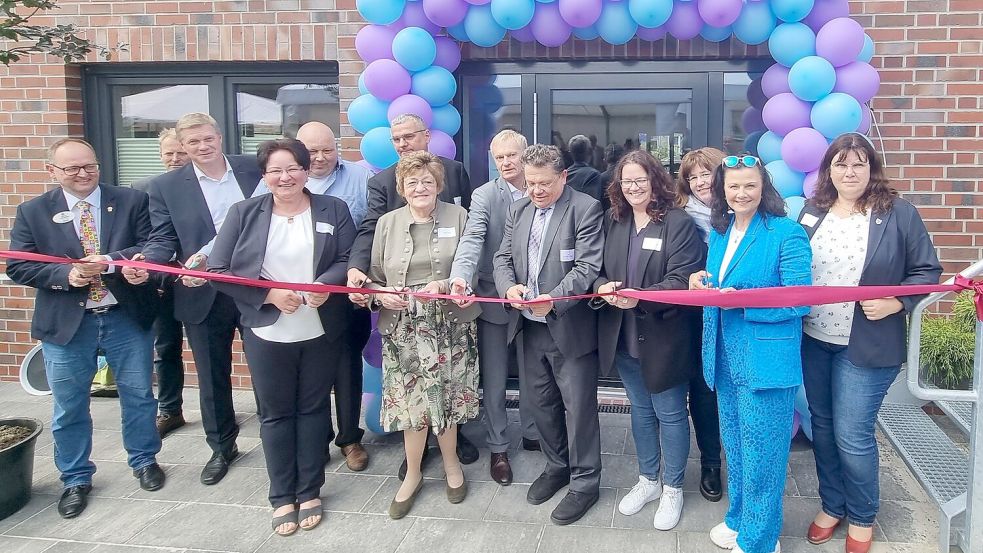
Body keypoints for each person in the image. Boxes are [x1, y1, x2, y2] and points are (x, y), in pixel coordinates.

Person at [798, 133, 942, 553]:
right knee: (822, 428)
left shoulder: (898, 213)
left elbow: (927, 270)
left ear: (871, 168)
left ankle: (862, 516)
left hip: (867, 345)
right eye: (840, 164)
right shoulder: (813, 212)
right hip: (814, 339)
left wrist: (898, 300)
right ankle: (832, 505)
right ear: (828, 170)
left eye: (858, 163)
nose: (849, 172)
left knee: (852, 434)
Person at [7, 138, 165, 519]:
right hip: (66, 325)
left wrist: (112, 261)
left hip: (125, 316)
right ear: (52, 172)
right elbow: (18, 265)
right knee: (69, 406)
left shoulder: (130, 200)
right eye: (72, 169)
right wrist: (68, 274)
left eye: (89, 166)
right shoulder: (33, 211)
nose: (82, 174)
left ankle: (144, 460)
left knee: (140, 396)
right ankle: (75, 478)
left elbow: (152, 242)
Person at [207, 138, 355, 536]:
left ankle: (309, 490)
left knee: (312, 410)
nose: (284, 176)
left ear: (306, 171)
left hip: (319, 327)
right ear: (265, 176)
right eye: (275, 170)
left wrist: (325, 284)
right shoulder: (244, 213)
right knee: (275, 415)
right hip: (268, 329)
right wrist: (268, 293)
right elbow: (219, 269)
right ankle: (280, 496)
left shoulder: (333, 209)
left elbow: (347, 257)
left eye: (292, 168)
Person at [123, 112, 263, 486]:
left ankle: (275, 433)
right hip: (201, 292)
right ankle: (222, 447)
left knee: (267, 367)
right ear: (182, 148)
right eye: (193, 143)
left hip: (255, 286)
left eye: (207, 139)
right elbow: (163, 238)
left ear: (220, 136)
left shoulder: (253, 169)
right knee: (211, 373)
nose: (202, 147)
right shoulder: (165, 186)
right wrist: (148, 264)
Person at [688, 154, 812, 553]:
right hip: (724, 356)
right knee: (737, 445)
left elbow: (800, 300)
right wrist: (701, 282)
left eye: (750, 186)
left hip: (765, 362)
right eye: (733, 186)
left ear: (764, 188)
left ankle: (760, 539)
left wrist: (741, 304)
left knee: (764, 454)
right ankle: (740, 518)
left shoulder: (786, 232)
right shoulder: (721, 233)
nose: (741, 193)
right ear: (722, 190)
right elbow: (718, 284)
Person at [346, 113, 478, 473]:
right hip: (403, 319)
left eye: (409, 136)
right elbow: (371, 234)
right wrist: (364, 281)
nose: (403, 143)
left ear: (426, 136)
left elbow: (470, 247)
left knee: (451, 390)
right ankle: (415, 459)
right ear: (402, 189)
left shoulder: (457, 178)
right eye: (397, 139)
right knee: (412, 395)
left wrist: (456, 282)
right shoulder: (383, 193)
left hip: (449, 317)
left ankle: (453, 444)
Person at [593, 150, 706, 530]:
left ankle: (673, 487)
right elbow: (597, 270)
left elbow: (680, 279)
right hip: (623, 335)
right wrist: (601, 286)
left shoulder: (678, 223)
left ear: (655, 180)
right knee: (640, 411)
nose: (633, 187)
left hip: (664, 335)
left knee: (671, 414)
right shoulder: (616, 221)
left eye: (640, 179)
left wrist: (639, 296)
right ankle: (649, 480)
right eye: (626, 181)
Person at [364, 150, 481, 519]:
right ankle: (412, 474)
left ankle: (451, 467)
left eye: (427, 182)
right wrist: (380, 297)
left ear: (438, 185)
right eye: (412, 182)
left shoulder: (459, 216)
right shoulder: (386, 223)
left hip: (449, 325)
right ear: (402, 187)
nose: (420, 188)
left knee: (446, 400)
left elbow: (472, 266)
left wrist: (445, 283)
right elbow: (375, 277)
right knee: (410, 405)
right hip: (403, 328)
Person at [493, 144, 605, 525]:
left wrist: (554, 300)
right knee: (540, 405)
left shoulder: (585, 208)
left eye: (543, 183)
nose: (535, 191)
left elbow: (589, 266)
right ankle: (557, 467)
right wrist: (508, 287)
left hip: (567, 327)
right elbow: (502, 258)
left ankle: (585, 483)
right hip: (528, 326)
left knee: (579, 411)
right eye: (530, 183)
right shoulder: (519, 208)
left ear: (563, 177)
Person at [254, 121, 373, 471]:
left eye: (328, 149)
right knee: (308, 379)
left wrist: (344, 278)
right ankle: (315, 439)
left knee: (346, 368)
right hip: (285, 307)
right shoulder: (265, 194)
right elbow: (243, 248)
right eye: (312, 151)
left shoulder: (358, 179)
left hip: (341, 296)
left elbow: (366, 233)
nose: (321, 157)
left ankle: (350, 437)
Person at [447, 129, 542, 487]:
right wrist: (461, 276)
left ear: (525, 155)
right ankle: (499, 447)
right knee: (496, 378)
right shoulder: (485, 195)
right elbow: (472, 238)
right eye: (498, 158)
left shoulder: (541, 189)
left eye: (511, 156)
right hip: (494, 299)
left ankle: (533, 432)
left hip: (536, 300)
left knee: (535, 374)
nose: (504, 163)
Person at [132, 128, 191, 438]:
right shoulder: (142, 189)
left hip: (201, 281)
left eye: (180, 152)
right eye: (168, 153)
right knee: (165, 347)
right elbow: (143, 237)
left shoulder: (203, 188)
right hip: (160, 283)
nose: (175, 158)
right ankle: (170, 409)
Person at [675, 147, 727, 502]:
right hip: (695, 317)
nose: (700, 182)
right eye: (692, 176)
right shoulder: (680, 216)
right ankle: (711, 464)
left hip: (737, 315)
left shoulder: (745, 212)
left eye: (705, 172)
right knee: (703, 392)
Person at [565, 134, 603, 202]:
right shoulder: (593, 175)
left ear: (570, 153)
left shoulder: (564, 175)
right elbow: (592, 203)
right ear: (590, 151)